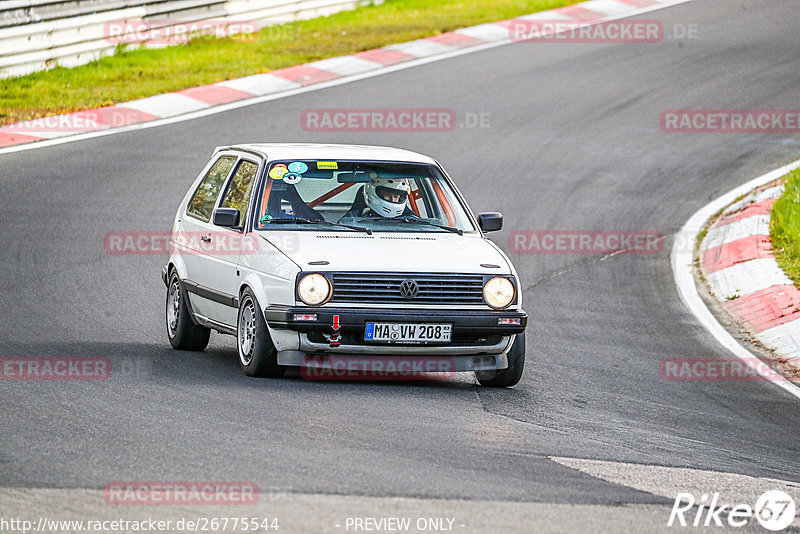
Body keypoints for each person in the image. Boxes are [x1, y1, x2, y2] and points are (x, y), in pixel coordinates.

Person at [340, 176, 414, 222]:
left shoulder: (414, 221)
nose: (393, 200)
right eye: (387, 195)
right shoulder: (352, 221)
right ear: (371, 192)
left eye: (396, 196)